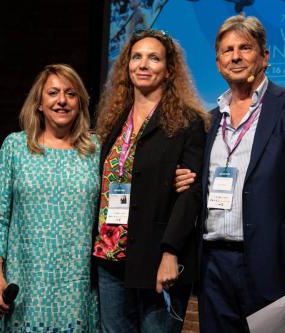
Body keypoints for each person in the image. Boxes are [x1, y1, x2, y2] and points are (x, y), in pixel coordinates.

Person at [175, 14, 285, 332]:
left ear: (264, 56)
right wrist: (184, 179)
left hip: (272, 262)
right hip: (214, 265)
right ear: (218, 62)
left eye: (245, 47)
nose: (235, 56)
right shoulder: (208, 121)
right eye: (227, 50)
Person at [93, 29, 209, 333]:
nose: (143, 64)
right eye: (137, 57)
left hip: (158, 258)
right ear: (127, 66)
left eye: (154, 58)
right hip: (110, 257)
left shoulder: (187, 122)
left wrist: (170, 253)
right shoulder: (114, 120)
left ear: (169, 70)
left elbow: (190, 195)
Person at [0, 64, 100, 332]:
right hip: (25, 287)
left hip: (76, 290)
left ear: (80, 103)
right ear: (40, 103)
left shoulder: (95, 150)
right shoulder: (16, 147)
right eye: (53, 93)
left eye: (70, 93)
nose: (62, 100)